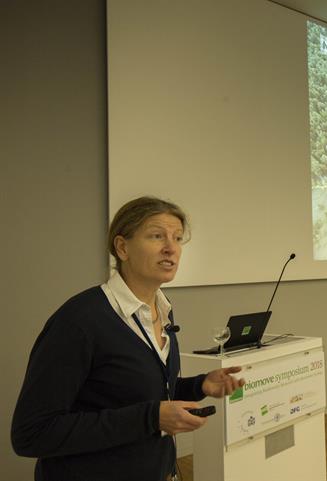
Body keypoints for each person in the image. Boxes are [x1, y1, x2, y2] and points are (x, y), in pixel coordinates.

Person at [11, 196, 243, 481]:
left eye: (178, 238)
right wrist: (151, 419)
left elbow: (135, 392)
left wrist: (199, 385)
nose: (171, 248)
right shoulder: (80, 320)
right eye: (157, 236)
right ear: (122, 247)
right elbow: (32, 433)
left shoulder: (162, 308)